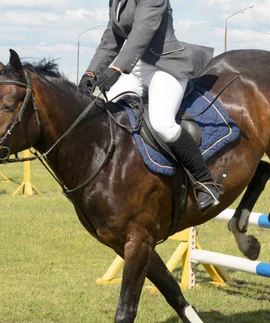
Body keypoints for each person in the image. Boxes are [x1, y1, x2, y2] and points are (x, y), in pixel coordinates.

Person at [78, 0, 222, 211]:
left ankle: (205, 183)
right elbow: (110, 41)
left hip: (166, 65)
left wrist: (117, 69)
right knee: (106, 112)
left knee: (162, 123)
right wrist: (91, 73)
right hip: (137, 69)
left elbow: (141, 33)